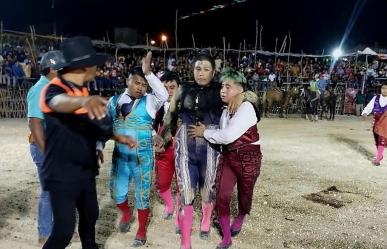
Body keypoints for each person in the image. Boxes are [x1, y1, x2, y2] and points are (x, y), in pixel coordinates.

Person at [40, 36, 137, 249]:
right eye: (95, 63)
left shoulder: (83, 91)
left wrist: (115, 137)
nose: (98, 68)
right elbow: (58, 104)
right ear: (85, 66)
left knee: (90, 216)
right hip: (62, 173)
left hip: (84, 170)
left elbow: (90, 126)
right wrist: (84, 101)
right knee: (64, 232)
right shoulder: (55, 88)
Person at [155, 53, 258, 249]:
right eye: (197, 69)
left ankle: (205, 220)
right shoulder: (183, 89)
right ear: (192, 69)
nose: (201, 73)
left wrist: (244, 95)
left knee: (208, 188)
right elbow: (170, 116)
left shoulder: (221, 88)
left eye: (206, 69)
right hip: (185, 146)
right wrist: (162, 137)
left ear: (213, 72)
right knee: (186, 192)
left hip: (211, 147)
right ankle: (185, 242)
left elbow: (251, 95)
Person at [188, 68, 262, 249]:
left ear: (240, 90)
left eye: (228, 87)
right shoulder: (225, 109)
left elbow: (227, 136)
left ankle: (242, 215)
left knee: (245, 194)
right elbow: (223, 134)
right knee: (222, 196)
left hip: (248, 157)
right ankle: (226, 238)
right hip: (228, 156)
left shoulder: (246, 107)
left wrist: (204, 132)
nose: (222, 90)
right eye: (222, 86)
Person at [107, 51, 168, 247]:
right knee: (117, 194)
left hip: (143, 157)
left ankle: (141, 231)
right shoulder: (113, 101)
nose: (141, 88)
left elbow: (164, 94)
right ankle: (126, 212)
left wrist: (148, 72)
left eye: (144, 85)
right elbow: (106, 126)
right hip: (120, 157)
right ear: (127, 80)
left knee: (142, 194)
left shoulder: (150, 101)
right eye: (137, 83)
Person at [27, 50, 63, 244]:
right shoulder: (38, 90)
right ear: (50, 69)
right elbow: (35, 123)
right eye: (60, 69)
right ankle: (45, 232)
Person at [153, 72, 180, 225]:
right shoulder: (157, 106)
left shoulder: (186, 106)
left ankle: (178, 212)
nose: (169, 91)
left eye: (172, 87)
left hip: (182, 150)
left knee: (182, 184)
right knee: (162, 184)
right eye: (165, 88)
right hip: (164, 150)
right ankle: (170, 206)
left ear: (178, 88)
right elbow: (152, 127)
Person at [362, 82, 387, 166]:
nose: (385, 90)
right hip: (376, 122)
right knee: (377, 140)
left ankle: (378, 159)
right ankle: (380, 155)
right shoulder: (376, 98)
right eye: (383, 88)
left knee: (381, 139)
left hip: (385, 123)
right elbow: (369, 106)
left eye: (386, 88)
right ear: (381, 89)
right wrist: (365, 112)